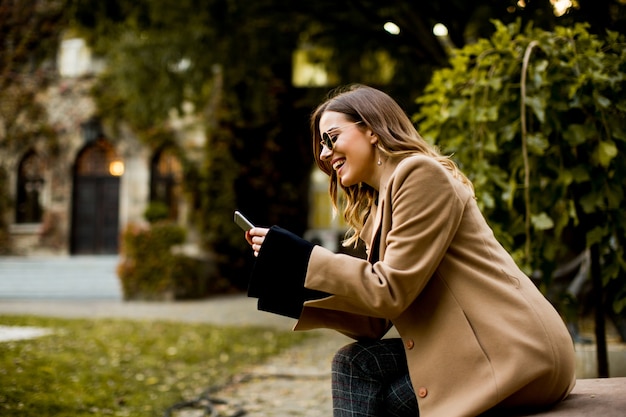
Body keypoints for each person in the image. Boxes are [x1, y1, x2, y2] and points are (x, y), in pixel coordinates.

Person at [244, 84, 576, 417]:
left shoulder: (419, 174)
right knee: (355, 364)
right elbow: (375, 320)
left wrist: (302, 257)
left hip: (515, 353)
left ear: (372, 130)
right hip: (479, 348)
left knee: (383, 402)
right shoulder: (381, 204)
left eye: (331, 137)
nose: (325, 153)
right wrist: (286, 276)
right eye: (321, 146)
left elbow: (390, 290)